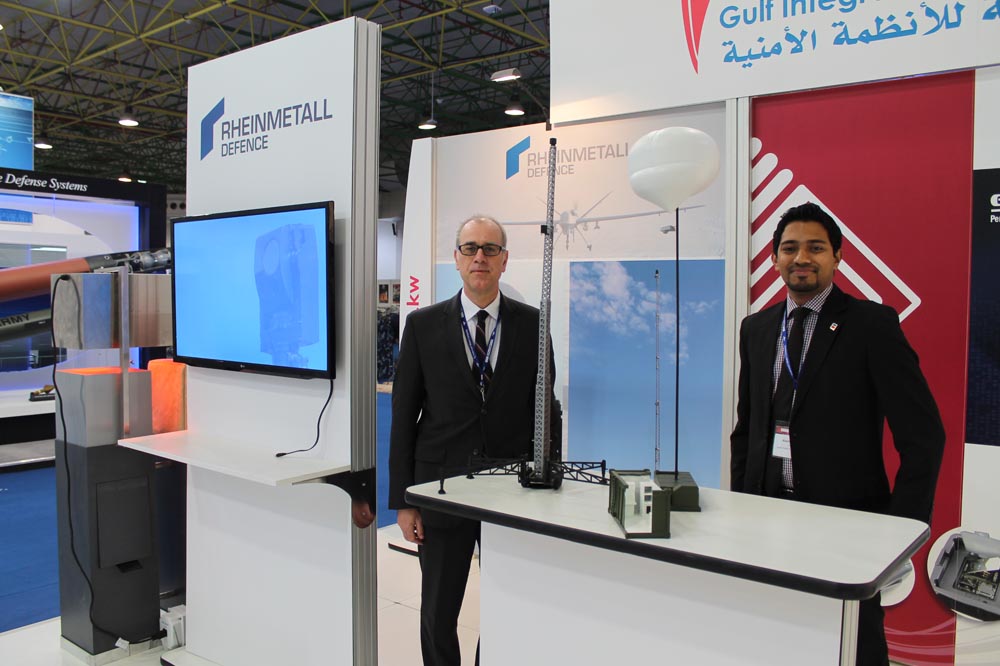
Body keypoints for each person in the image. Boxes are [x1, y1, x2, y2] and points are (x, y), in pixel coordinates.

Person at [730, 202, 945, 666]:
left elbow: (924, 436)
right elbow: (747, 430)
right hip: (766, 518)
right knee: (775, 637)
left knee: (854, 645)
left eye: (815, 248)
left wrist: (900, 533)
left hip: (847, 525)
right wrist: (741, 508)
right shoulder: (757, 328)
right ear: (774, 258)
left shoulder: (871, 325)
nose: (801, 258)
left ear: (837, 257)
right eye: (790, 248)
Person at [388, 215, 557, 666]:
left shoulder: (533, 325)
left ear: (504, 260)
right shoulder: (422, 326)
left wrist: (548, 481)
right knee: (438, 613)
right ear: (457, 259)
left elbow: (545, 409)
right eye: (470, 248)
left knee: (506, 608)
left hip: (511, 490)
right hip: (441, 489)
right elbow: (403, 417)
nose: (479, 256)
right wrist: (404, 501)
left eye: (489, 249)